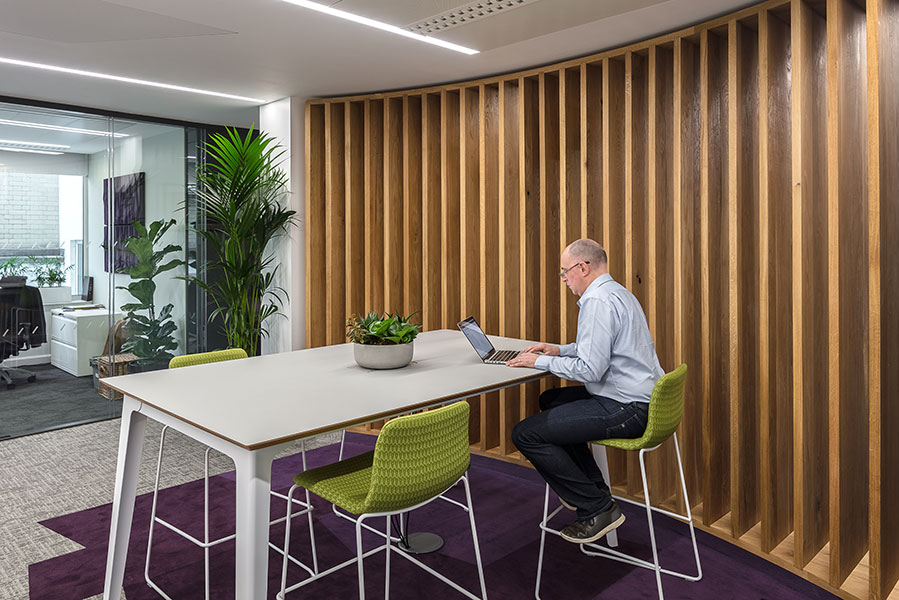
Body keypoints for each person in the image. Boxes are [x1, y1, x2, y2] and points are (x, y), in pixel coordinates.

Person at [507, 238, 663, 544]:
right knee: (551, 400)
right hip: (641, 400)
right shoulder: (619, 293)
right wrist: (559, 350)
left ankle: (597, 507)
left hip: (627, 408)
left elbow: (591, 370)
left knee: (525, 434)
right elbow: (601, 348)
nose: (564, 279)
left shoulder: (597, 302)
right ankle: (593, 487)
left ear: (582, 267)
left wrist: (539, 362)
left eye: (565, 272)